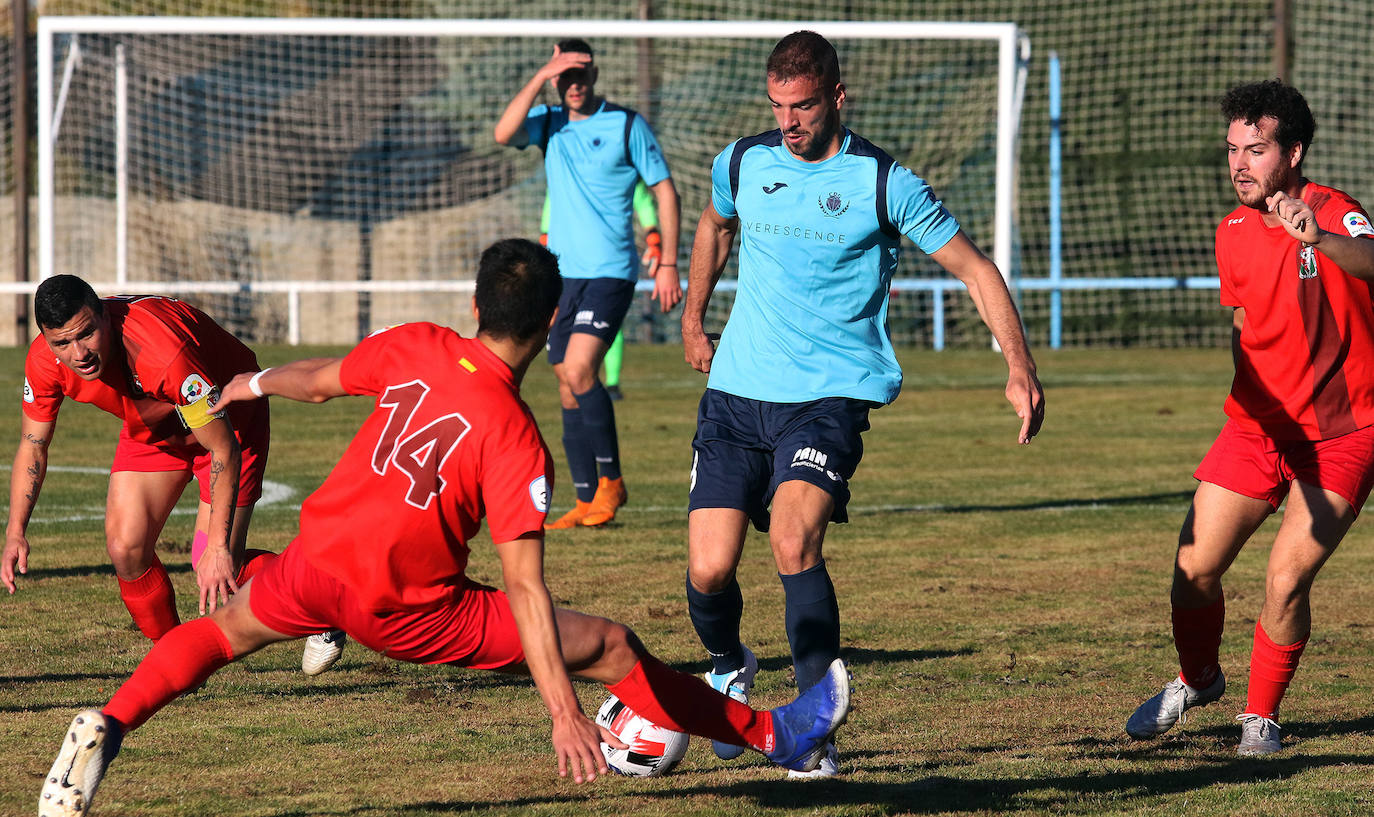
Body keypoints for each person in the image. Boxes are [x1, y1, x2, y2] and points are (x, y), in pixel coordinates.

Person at [36, 238, 851, 817]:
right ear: (553, 320)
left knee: (217, 634)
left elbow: (317, 380)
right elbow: (527, 591)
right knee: (608, 643)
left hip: (316, 557)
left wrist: (247, 381)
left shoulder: (419, 343)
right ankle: (775, 732)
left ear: (474, 303)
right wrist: (562, 707)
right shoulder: (517, 437)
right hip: (407, 606)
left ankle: (108, 720)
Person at [680, 31, 1044, 778]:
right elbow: (716, 223)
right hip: (736, 394)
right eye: (778, 104)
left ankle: (812, 730)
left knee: (792, 541)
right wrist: (693, 315)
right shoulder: (743, 161)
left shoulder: (885, 182)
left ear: (837, 97)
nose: (789, 120)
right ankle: (727, 662)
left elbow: (975, 269)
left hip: (826, 399)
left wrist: (1019, 367)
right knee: (710, 569)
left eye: (804, 105)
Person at [1124, 80, 1374, 756]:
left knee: (1285, 577)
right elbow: (1244, 321)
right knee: (1192, 570)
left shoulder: (1334, 211)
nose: (1239, 163)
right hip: (1258, 428)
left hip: (1342, 433)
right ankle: (1199, 679)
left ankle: (1260, 717)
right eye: (1232, 149)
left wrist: (1317, 238)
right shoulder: (1230, 232)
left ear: (1292, 152)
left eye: (1255, 149)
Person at [0, 276, 343, 676]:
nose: (79, 353)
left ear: (104, 316)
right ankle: (176, 661)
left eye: (87, 333)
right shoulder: (44, 360)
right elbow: (33, 444)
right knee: (125, 547)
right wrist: (15, 531)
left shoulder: (162, 354)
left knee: (211, 562)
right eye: (62, 343)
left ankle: (325, 599)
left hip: (229, 420)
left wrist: (217, 548)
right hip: (154, 425)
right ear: (45, 339)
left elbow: (222, 449)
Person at [495, 38, 682, 529]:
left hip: (611, 271)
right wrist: (541, 74)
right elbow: (502, 133)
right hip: (560, 275)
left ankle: (611, 482)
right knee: (564, 383)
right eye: (564, 77)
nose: (572, 84)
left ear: (595, 75)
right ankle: (584, 501)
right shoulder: (549, 123)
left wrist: (667, 263)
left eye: (580, 74)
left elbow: (664, 189)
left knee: (579, 371)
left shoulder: (625, 124)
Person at [541, 179, 663, 402]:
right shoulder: (565, 166)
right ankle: (581, 397)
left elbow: (642, 198)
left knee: (606, 325)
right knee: (565, 368)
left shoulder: (616, 164)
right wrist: (545, 235)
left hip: (608, 266)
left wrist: (653, 235)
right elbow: (553, 197)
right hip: (566, 266)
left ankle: (612, 383)